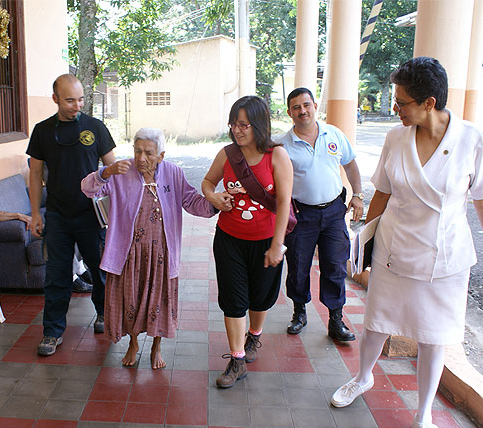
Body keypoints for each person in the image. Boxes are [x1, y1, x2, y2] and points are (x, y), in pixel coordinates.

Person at [330, 57, 483, 428]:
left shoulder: (472, 140)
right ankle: (363, 377)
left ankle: (423, 412)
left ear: (429, 102)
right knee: (376, 323)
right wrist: (363, 239)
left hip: (444, 257)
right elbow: (382, 190)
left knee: (434, 336)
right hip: (394, 250)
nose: (395, 108)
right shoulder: (396, 137)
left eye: (402, 102)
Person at [81, 127, 222, 369]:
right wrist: (105, 172)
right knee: (131, 299)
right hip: (129, 253)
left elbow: (190, 200)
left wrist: (215, 204)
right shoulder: (121, 171)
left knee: (160, 300)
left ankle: (157, 346)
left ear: (161, 155)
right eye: (137, 151)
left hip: (162, 253)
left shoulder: (173, 173)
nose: (141, 158)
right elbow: (87, 189)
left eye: (148, 153)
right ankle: (133, 343)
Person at [202, 95, 293, 388]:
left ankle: (254, 336)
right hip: (229, 239)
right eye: (233, 124)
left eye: (244, 125)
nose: (237, 130)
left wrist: (277, 245)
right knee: (233, 299)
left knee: (261, 296)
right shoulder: (227, 155)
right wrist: (214, 197)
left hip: (265, 240)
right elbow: (207, 182)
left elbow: (283, 203)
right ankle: (237, 358)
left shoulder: (276, 156)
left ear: (259, 125)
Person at [27, 74, 116, 356]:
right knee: (56, 275)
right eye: (69, 100)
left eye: (80, 99)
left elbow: (113, 169)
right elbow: (35, 173)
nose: (77, 105)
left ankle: (103, 313)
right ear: (55, 99)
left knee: (100, 270)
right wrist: (34, 214)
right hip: (57, 216)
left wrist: (117, 213)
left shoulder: (95, 128)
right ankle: (52, 332)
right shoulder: (42, 131)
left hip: (91, 217)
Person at [275, 87, 364, 340]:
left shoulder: (333, 134)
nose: (302, 111)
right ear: (290, 112)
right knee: (299, 266)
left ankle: (336, 320)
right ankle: (299, 312)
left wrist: (358, 195)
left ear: (315, 105)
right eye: (296, 107)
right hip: (301, 215)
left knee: (335, 265)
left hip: (334, 212)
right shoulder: (283, 144)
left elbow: (350, 164)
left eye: (306, 105)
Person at [0, 184, 93, 293]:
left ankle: (80, 269)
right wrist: (19, 215)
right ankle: (72, 278)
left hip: (24, 230)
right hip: (17, 233)